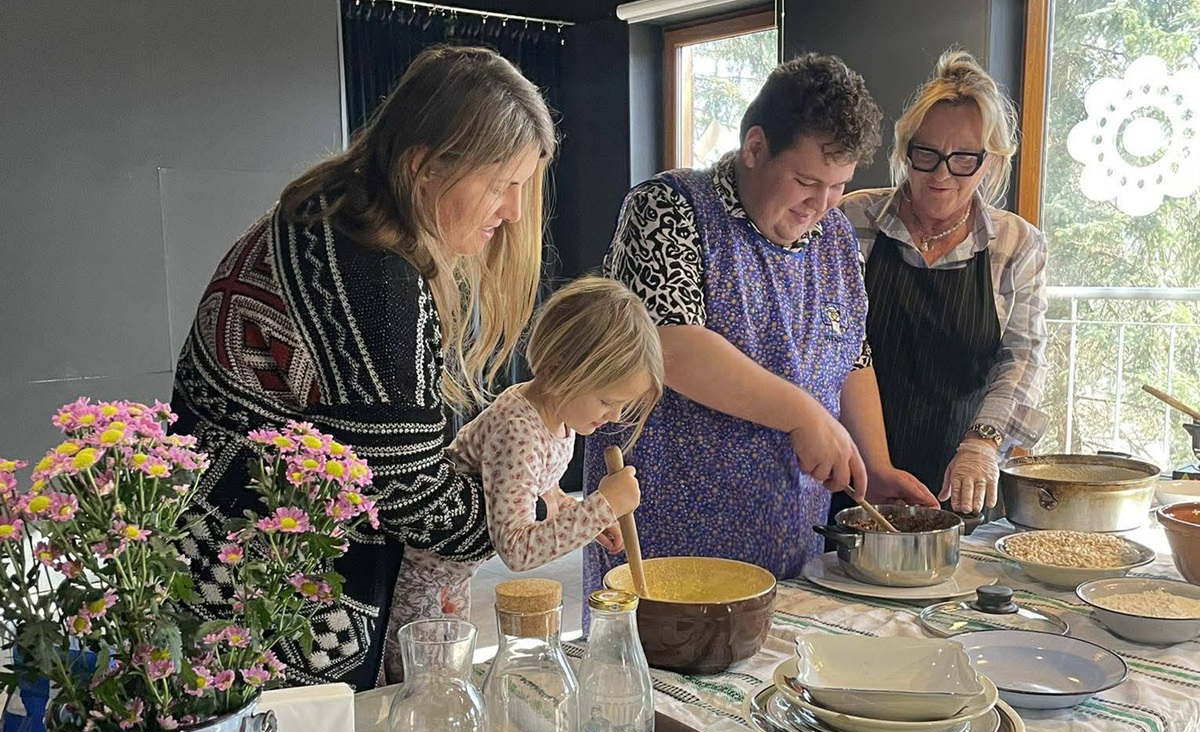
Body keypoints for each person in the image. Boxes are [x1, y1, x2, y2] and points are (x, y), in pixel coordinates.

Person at [170, 45, 556, 691]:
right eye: (499, 185)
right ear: (423, 167)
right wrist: (521, 516)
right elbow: (406, 490)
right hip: (269, 591)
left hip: (206, 553)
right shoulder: (373, 277)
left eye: (521, 187)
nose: (514, 211)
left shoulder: (322, 213)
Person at [582, 53, 936, 597]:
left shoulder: (835, 238)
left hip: (790, 544)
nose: (821, 204)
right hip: (669, 539)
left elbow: (852, 355)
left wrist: (876, 465)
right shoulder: (669, 207)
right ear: (755, 148)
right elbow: (669, 347)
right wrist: (802, 415)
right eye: (806, 181)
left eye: (838, 186)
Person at [383, 276, 663, 681]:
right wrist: (602, 507)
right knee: (423, 685)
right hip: (421, 576)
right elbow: (517, 550)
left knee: (450, 676)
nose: (615, 416)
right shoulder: (518, 430)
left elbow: (539, 488)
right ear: (555, 371)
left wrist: (581, 515)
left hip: (454, 572)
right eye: (607, 401)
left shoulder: (558, 419)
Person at [840, 50, 1048, 515]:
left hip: (959, 482)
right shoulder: (851, 220)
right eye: (926, 154)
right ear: (905, 150)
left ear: (990, 162)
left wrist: (982, 443)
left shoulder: (1016, 243)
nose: (940, 174)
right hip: (851, 475)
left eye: (964, 159)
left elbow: (1023, 359)